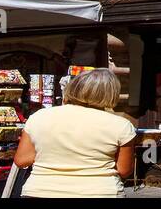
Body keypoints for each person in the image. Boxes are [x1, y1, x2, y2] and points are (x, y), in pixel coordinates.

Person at [13, 69, 136, 197]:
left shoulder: (39, 117)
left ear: (73, 87)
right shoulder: (121, 125)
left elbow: (21, 160)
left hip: (40, 191)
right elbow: (124, 170)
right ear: (111, 94)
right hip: (100, 192)